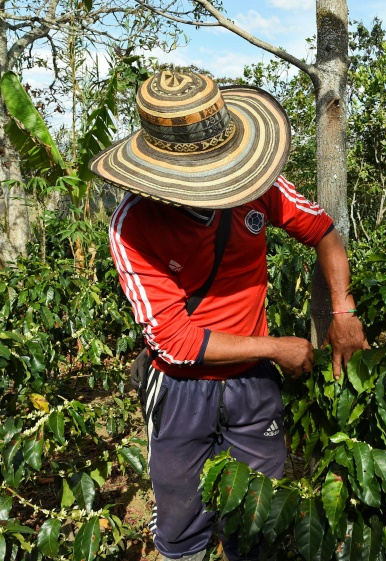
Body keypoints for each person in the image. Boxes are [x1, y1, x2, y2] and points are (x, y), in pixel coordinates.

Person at [89, 70, 368, 561]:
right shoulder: (135, 226)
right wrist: (275, 347)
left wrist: (343, 309)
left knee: (255, 522)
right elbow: (174, 341)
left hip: (252, 388)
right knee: (181, 524)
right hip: (180, 389)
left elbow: (323, 231)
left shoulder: (257, 184)